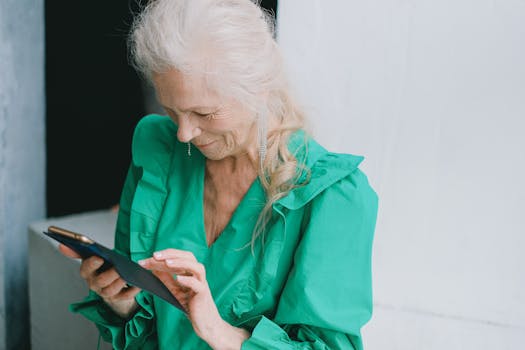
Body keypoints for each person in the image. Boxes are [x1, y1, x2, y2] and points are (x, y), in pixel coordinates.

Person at [59, 0, 379, 349]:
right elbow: (145, 329)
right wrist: (124, 304)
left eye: (204, 113)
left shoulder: (334, 197)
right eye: (171, 109)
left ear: (258, 88)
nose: (184, 133)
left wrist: (219, 332)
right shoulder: (158, 150)